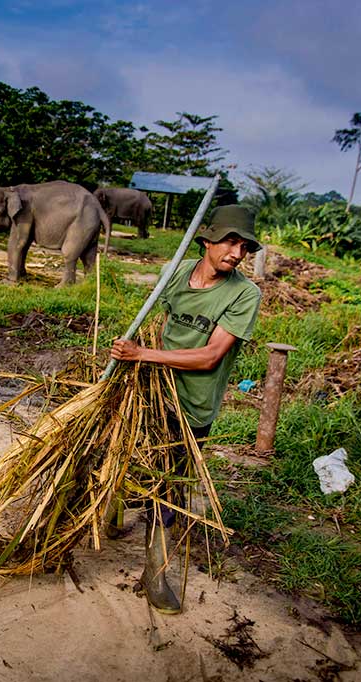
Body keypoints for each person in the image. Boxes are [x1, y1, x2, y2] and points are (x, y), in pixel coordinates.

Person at [109, 204, 262, 614]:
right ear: (208, 239)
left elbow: (211, 356)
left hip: (191, 407)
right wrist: (138, 361)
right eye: (230, 241)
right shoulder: (177, 271)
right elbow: (162, 324)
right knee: (124, 455)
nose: (236, 253)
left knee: (168, 490)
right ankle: (111, 509)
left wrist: (143, 355)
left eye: (244, 246)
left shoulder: (245, 294)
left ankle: (154, 575)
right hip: (149, 392)